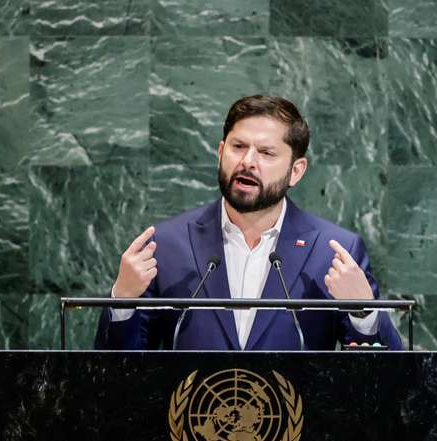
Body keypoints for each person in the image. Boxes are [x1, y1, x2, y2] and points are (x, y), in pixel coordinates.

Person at [94, 95, 402, 350]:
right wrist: (123, 298)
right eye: (238, 147)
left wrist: (364, 309)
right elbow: (115, 375)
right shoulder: (166, 245)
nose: (247, 161)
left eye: (266, 152)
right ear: (220, 153)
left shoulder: (334, 251)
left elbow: (388, 381)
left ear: (296, 171)